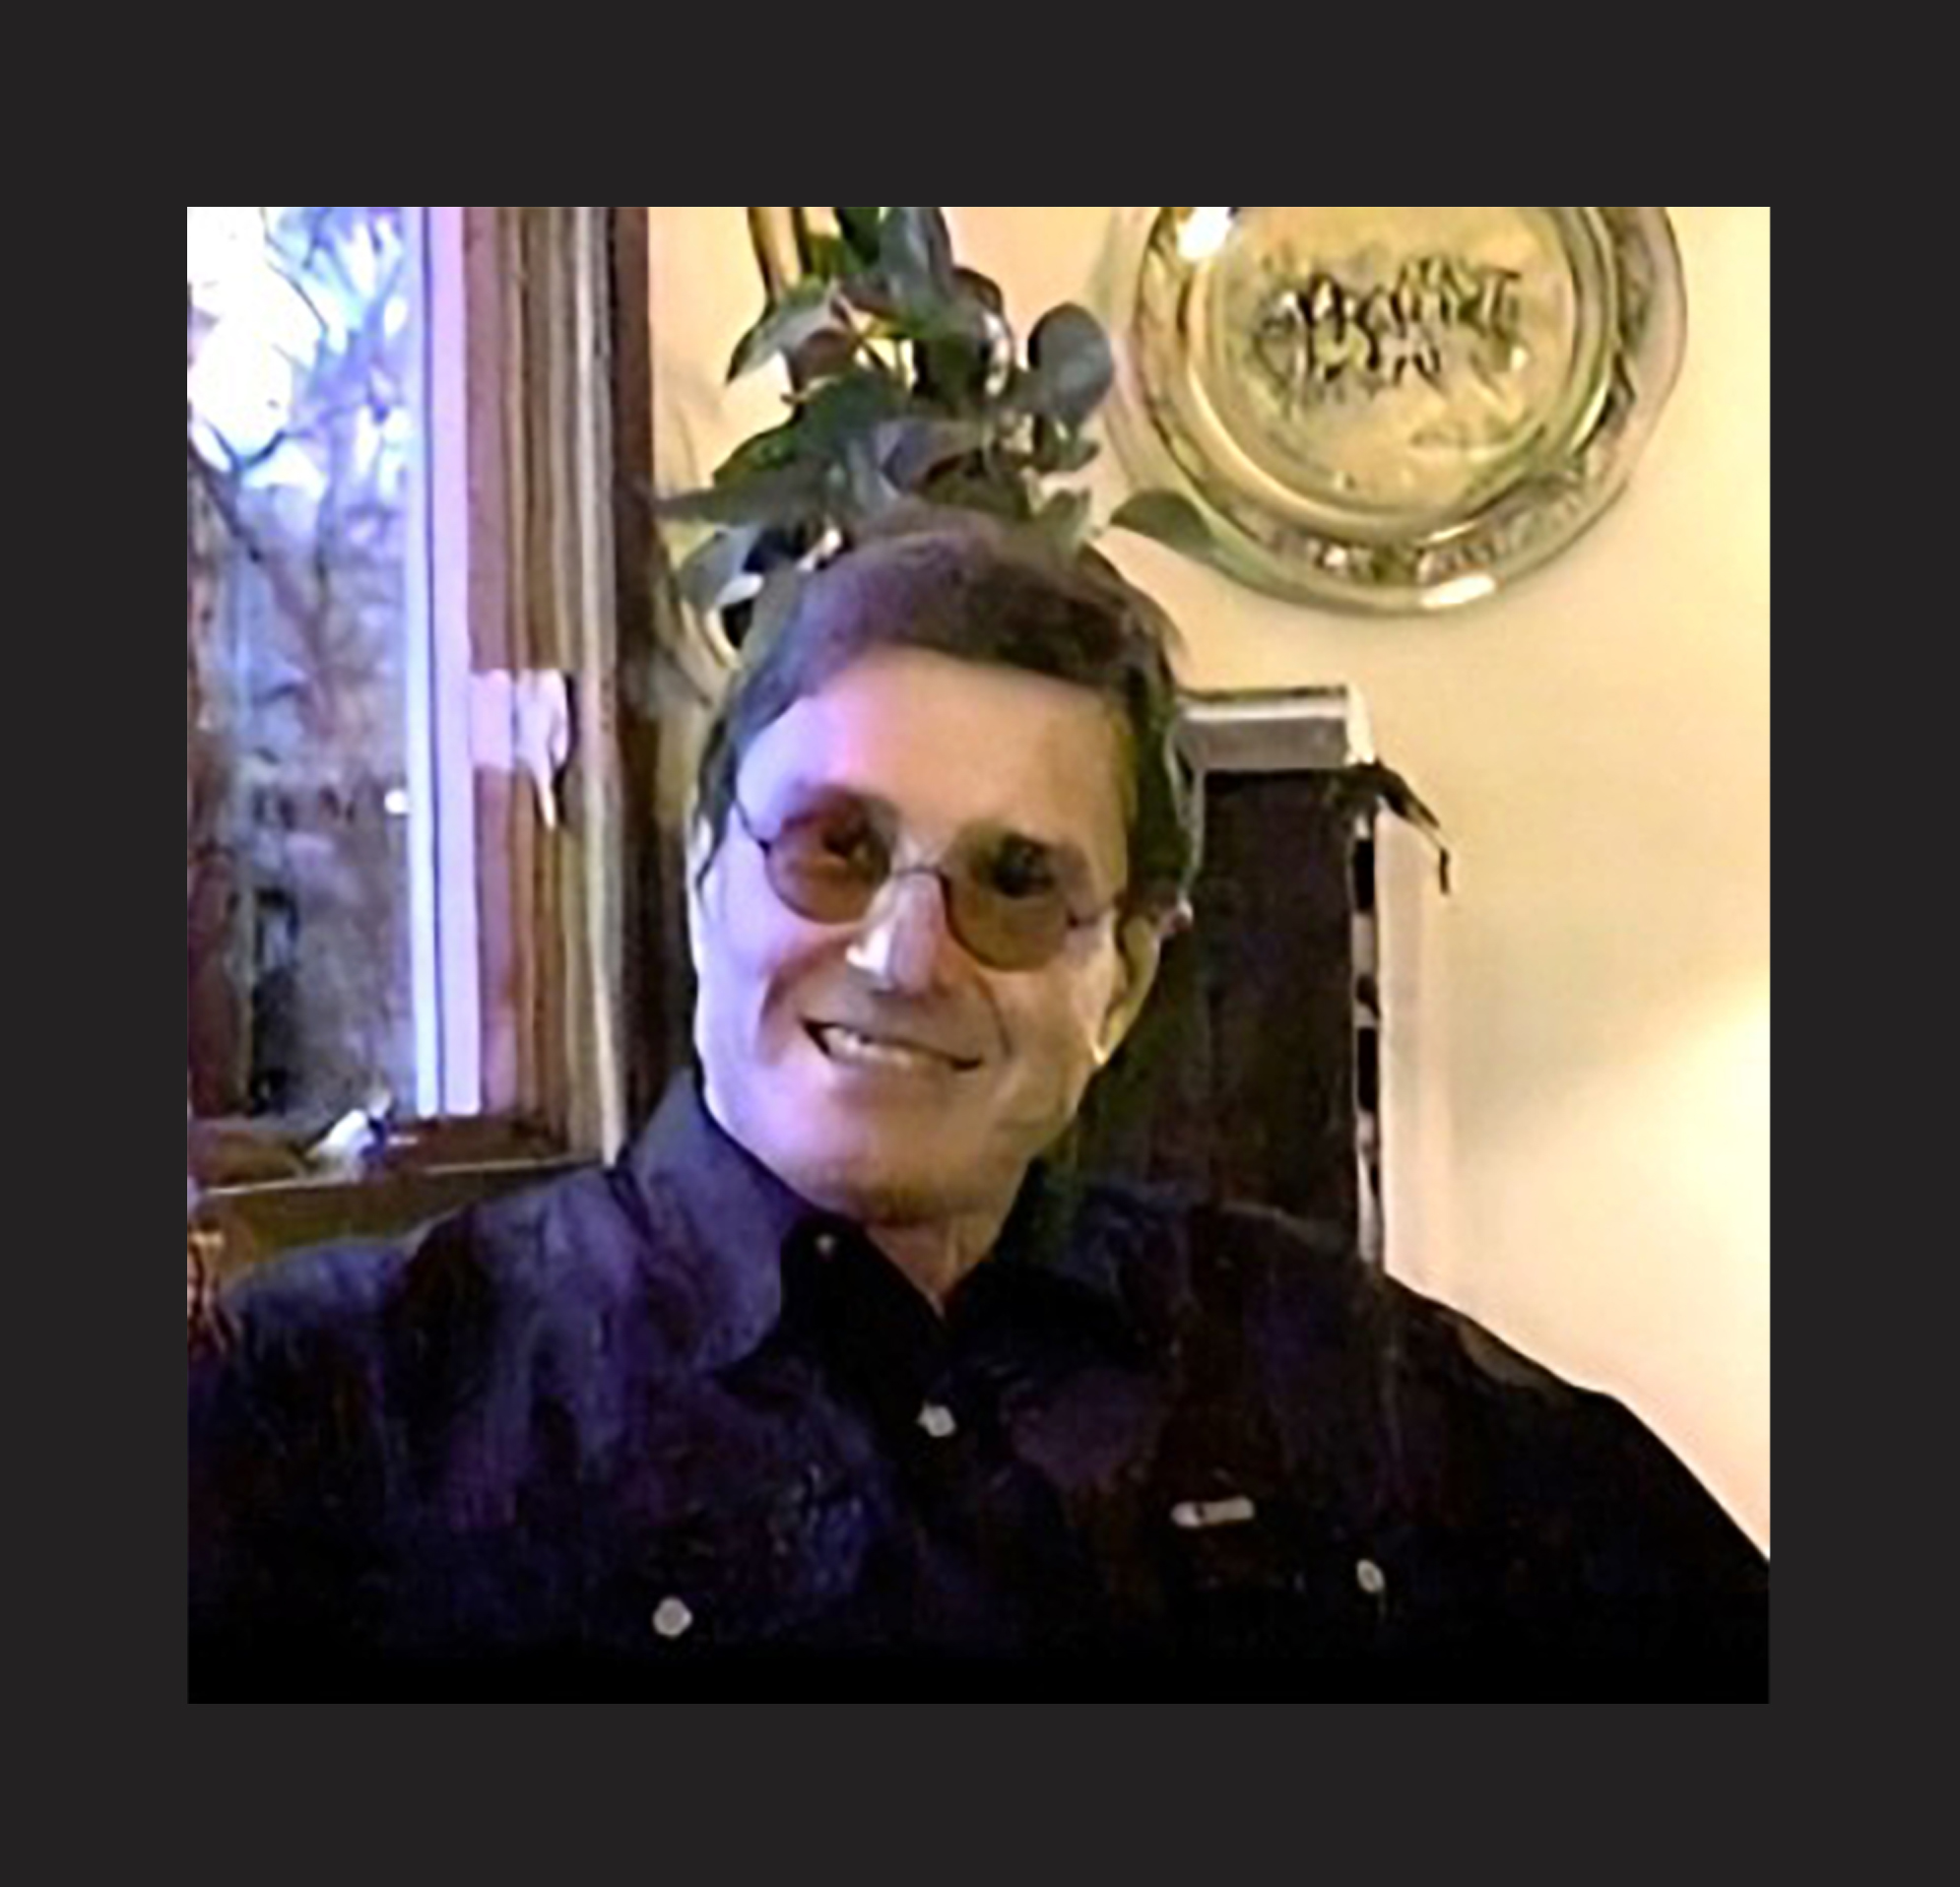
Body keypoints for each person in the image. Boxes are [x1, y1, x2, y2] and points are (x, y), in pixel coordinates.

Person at [188, 519, 1768, 1700]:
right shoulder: (334, 1407)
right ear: (701, 884)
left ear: (1127, 980)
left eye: (1016, 885)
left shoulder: (1331, 1374)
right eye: (833, 848)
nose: (899, 954)